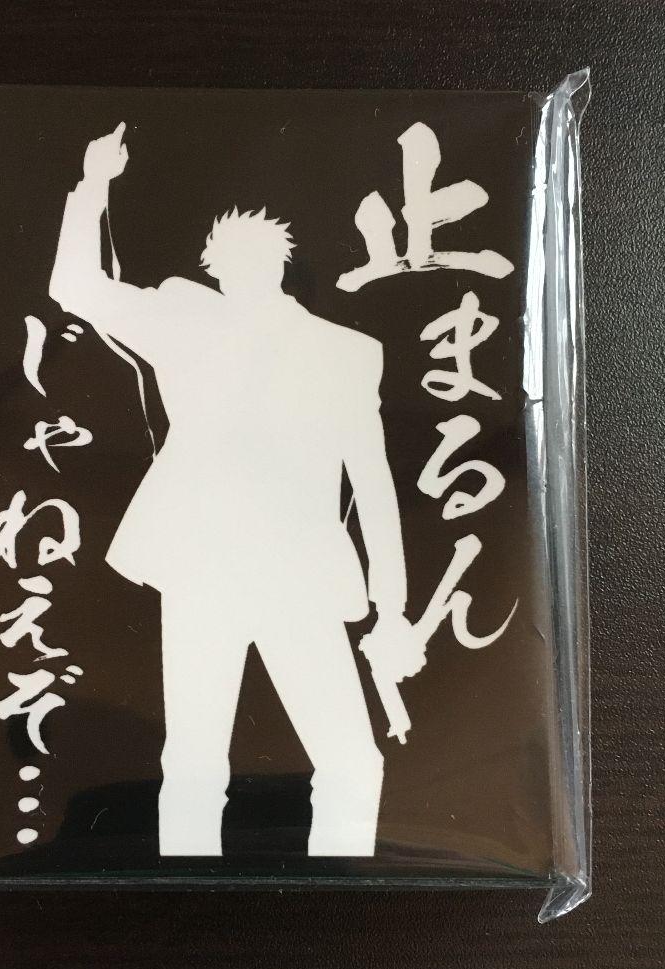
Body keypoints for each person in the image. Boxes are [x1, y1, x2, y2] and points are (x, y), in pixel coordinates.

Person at [49, 124, 422, 857]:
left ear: (230, 268)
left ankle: (273, 884)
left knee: (228, 762)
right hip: (243, 571)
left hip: (247, 571)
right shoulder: (318, 346)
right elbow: (372, 484)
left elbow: (372, 480)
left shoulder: (223, 327)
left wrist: (94, 186)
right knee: (262, 762)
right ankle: (315, 884)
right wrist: (391, 607)